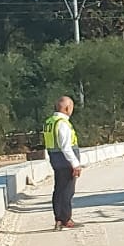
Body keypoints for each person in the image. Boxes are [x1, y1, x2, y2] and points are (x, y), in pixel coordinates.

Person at [43, 96, 82, 230]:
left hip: (55, 159)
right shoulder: (62, 123)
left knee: (58, 189)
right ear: (67, 108)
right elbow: (66, 147)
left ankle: (58, 218)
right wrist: (75, 164)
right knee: (67, 190)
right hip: (65, 160)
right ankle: (66, 219)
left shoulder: (49, 122)